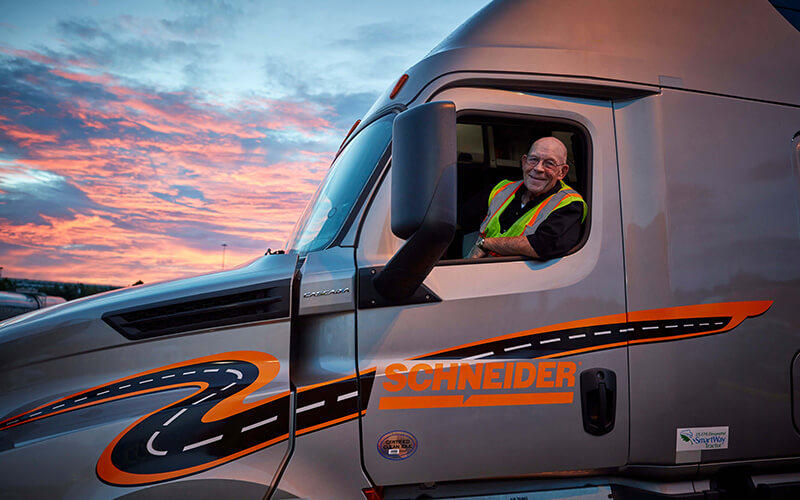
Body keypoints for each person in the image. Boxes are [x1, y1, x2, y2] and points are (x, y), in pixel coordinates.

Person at [468, 136, 587, 259]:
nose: (538, 168)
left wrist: (485, 244)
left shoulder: (569, 204)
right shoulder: (501, 189)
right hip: (478, 271)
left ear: (562, 171)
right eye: (533, 160)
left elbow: (544, 245)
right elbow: (460, 218)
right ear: (524, 162)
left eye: (549, 164)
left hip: (521, 277)